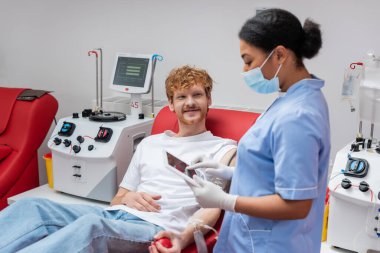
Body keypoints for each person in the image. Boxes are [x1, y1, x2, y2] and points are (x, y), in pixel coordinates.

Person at [0, 65, 237, 253]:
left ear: (209, 100)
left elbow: (213, 208)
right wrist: (129, 198)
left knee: (89, 227)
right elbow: (117, 200)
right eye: (181, 97)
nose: (190, 102)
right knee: (31, 207)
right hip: (115, 216)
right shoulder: (149, 144)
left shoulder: (224, 149)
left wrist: (183, 237)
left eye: (197, 95)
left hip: (156, 228)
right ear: (171, 105)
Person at [180, 8, 330, 253]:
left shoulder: (298, 115)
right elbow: (272, 167)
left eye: (249, 60)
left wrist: (224, 200)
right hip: (251, 238)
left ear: (279, 54)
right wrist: (228, 172)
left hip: (271, 245)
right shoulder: (290, 99)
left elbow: (297, 205)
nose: (245, 70)